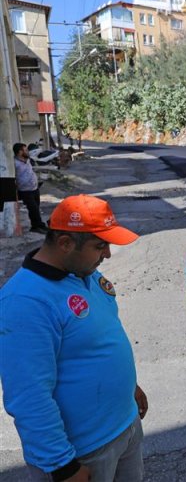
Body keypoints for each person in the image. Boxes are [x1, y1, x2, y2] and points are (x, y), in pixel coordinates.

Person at [0, 194, 148, 482]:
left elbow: (98, 340)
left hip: (124, 427)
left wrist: (129, 386)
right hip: (83, 453)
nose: (107, 253)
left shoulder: (84, 273)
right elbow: (29, 396)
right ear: (66, 243)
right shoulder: (25, 301)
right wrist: (63, 466)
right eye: (99, 245)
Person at [13, 142, 47, 234]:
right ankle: (37, 226)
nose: (28, 152)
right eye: (26, 150)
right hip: (25, 191)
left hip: (35, 188)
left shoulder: (27, 160)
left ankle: (37, 225)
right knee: (33, 208)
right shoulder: (15, 163)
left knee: (36, 208)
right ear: (20, 152)